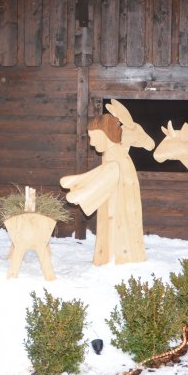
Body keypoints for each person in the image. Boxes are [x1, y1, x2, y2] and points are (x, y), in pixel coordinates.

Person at [60, 114, 147, 265]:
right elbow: (103, 171)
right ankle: (109, 255)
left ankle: (117, 258)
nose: (92, 143)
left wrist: (83, 192)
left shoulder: (116, 155)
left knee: (116, 232)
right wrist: (78, 181)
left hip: (120, 212)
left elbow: (108, 175)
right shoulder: (113, 153)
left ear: (104, 135)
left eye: (94, 137)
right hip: (113, 205)